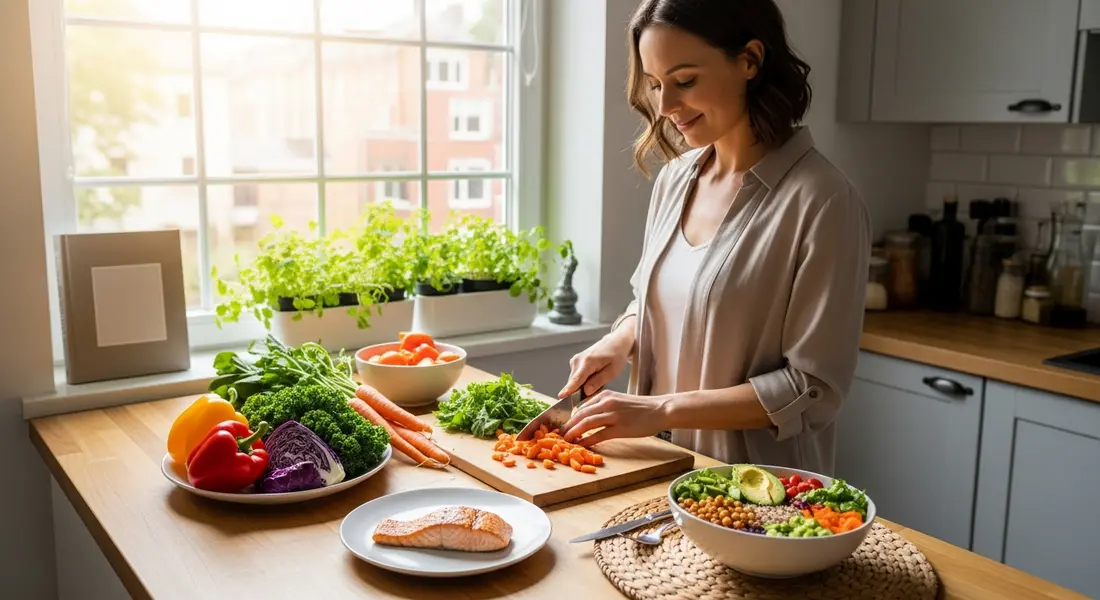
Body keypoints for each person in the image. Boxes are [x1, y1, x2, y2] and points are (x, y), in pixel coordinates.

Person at [557, 0, 872, 476]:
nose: (665, 107)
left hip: (758, 496)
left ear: (749, 60)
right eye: (656, 85)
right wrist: (621, 340)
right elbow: (657, 300)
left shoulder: (824, 201)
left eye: (684, 81)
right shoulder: (675, 179)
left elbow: (812, 389)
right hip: (659, 473)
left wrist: (660, 410)